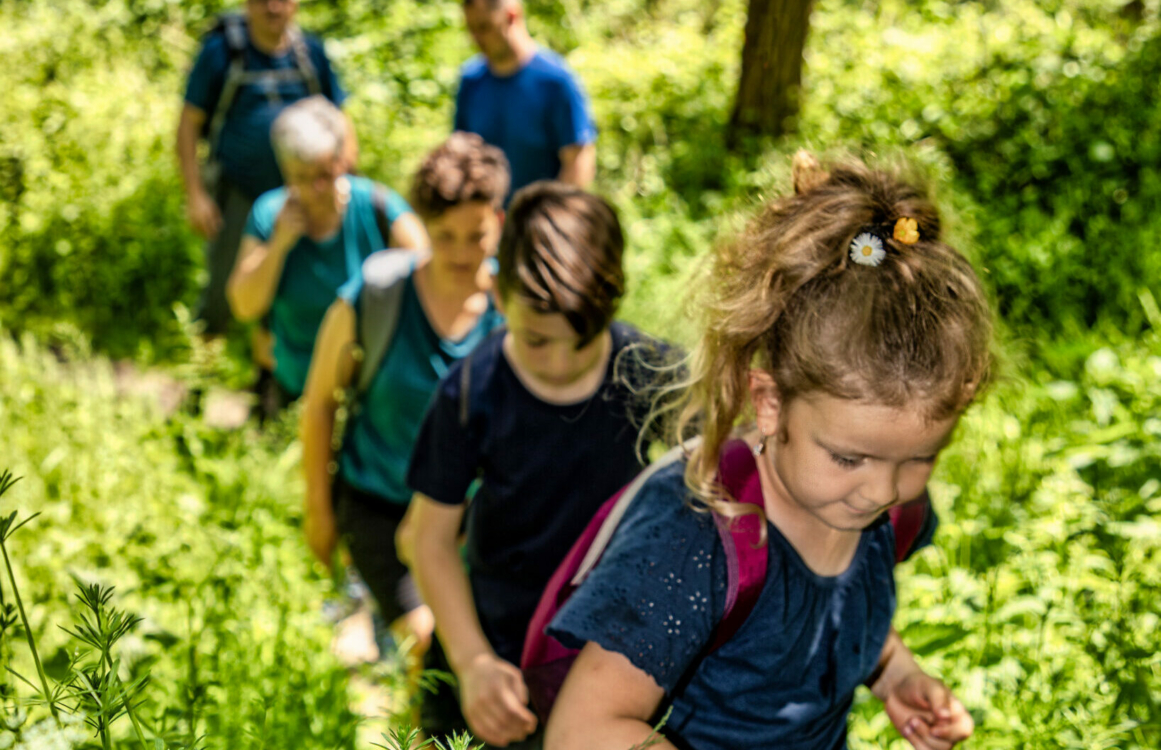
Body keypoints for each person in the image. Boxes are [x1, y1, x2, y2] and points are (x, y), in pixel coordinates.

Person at [543, 153, 992, 750]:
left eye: (919, 459)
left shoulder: (880, 511)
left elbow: (831, 617)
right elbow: (583, 729)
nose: (884, 490)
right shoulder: (696, 534)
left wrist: (896, 674)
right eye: (849, 458)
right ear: (771, 402)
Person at [404, 182, 677, 748]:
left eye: (581, 342)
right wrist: (472, 661)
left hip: (606, 655)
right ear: (499, 295)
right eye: (536, 341)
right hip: (498, 647)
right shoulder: (471, 392)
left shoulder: (648, 373)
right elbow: (427, 539)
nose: (558, 363)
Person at [299, 132, 508, 650]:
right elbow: (320, 403)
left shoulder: (516, 313)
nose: (461, 253)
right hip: (377, 503)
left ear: (499, 223)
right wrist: (319, 512)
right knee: (426, 642)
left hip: (469, 524)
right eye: (444, 235)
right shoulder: (378, 293)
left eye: (476, 236)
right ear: (422, 226)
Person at [227, 96, 427, 403]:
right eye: (301, 177)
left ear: (342, 159)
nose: (314, 189)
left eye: (324, 174)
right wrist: (279, 245)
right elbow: (243, 306)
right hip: (296, 387)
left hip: (366, 390)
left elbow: (428, 273)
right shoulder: (269, 213)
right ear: (284, 169)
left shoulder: (377, 206)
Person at [177, 0, 357, 337]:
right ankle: (204, 355)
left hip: (304, 195)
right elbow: (189, 124)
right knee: (224, 281)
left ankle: (274, 361)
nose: (273, 7)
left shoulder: (311, 54)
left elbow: (341, 122)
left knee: (293, 278)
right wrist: (196, 194)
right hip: (239, 193)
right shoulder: (222, 52)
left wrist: (344, 181)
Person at [455, 0, 597, 199]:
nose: (476, 38)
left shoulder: (555, 81)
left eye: (484, 27)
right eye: (471, 29)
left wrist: (553, 215)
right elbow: (461, 154)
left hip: (542, 214)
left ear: (511, 16)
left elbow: (578, 162)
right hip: (487, 215)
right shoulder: (471, 81)